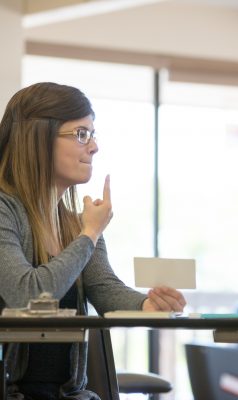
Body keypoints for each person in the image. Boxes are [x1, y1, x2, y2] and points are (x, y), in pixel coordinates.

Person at [0, 82, 186, 400]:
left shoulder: (77, 223)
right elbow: (26, 295)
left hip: (71, 394)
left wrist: (146, 304)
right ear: (38, 139)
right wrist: (89, 235)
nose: (94, 146)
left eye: (92, 134)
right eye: (81, 133)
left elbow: (104, 289)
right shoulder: (7, 211)